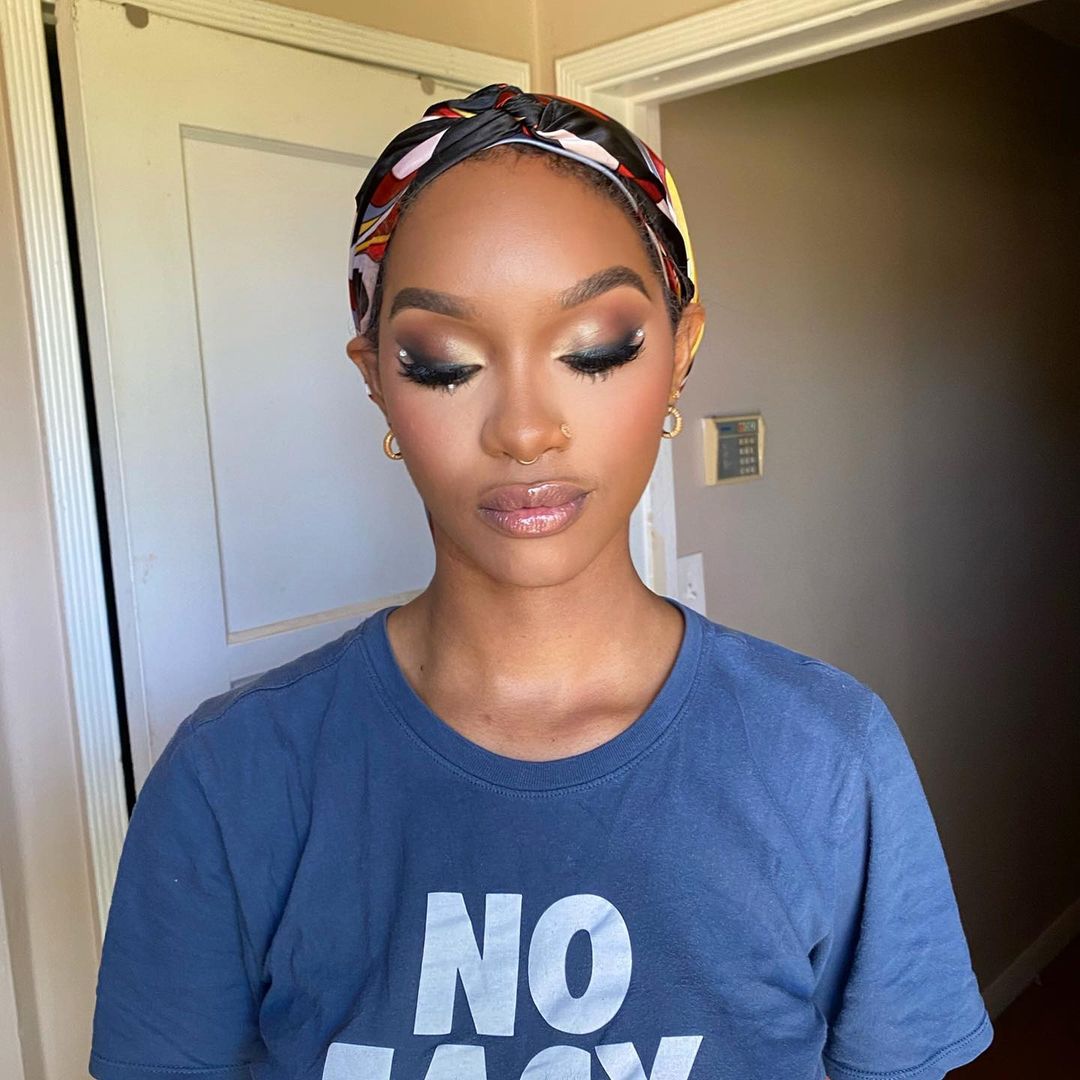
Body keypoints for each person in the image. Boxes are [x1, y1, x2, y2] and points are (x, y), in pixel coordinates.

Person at [88, 83, 993, 1080]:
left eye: (595, 349)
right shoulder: (231, 780)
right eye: (442, 362)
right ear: (376, 377)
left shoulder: (826, 757)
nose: (524, 430)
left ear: (681, 355)